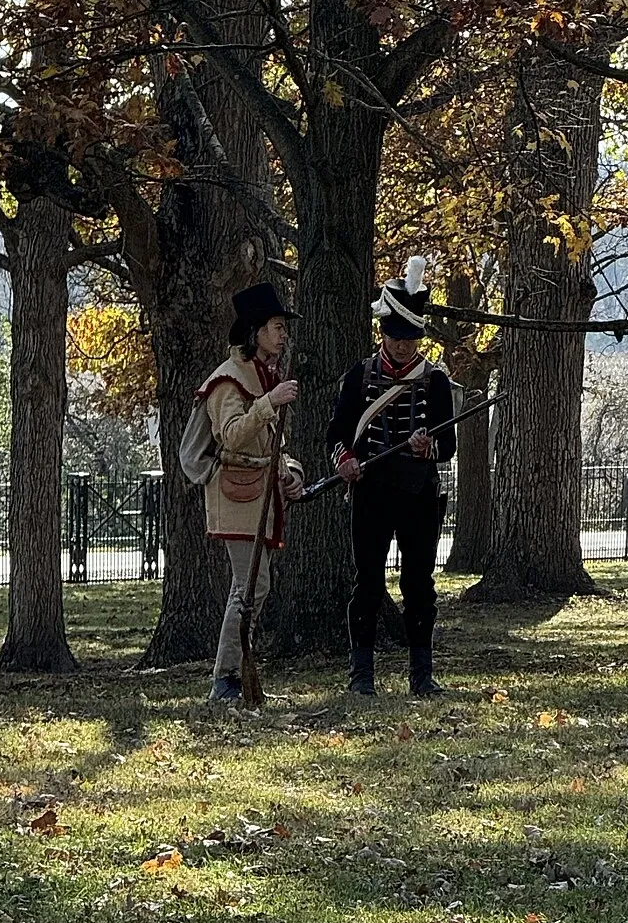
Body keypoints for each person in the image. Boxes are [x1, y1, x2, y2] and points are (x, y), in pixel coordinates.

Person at [327, 257, 456, 697]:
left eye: (412, 337)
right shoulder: (358, 377)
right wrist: (344, 460)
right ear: (384, 332)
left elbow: (448, 445)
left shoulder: (436, 381)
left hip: (419, 496)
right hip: (371, 495)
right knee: (367, 583)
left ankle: (422, 676)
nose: (404, 345)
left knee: (419, 583)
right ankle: (361, 677)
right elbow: (337, 436)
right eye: (397, 336)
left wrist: (428, 447)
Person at [195, 280, 303, 703]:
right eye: (276, 326)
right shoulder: (227, 381)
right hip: (236, 497)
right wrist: (269, 403)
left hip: (261, 493)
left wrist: (290, 471)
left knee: (255, 586)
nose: (282, 334)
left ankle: (238, 675)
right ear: (256, 331)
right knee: (249, 587)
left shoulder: (263, 375)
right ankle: (225, 678)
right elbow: (234, 436)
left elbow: (272, 446)